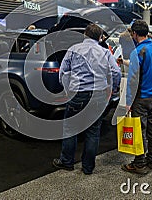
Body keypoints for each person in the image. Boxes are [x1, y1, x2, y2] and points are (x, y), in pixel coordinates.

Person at [52, 24, 121, 175]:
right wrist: (113, 88)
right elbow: (116, 72)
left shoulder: (73, 49)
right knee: (93, 132)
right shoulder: (105, 52)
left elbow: (63, 72)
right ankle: (88, 167)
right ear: (100, 37)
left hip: (77, 94)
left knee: (70, 129)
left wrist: (68, 89)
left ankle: (67, 162)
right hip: (98, 95)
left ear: (85, 34)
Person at [121, 20, 152, 174]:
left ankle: (139, 163)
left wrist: (128, 101)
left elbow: (133, 79)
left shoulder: (137, 52)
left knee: (139, 131)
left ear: (135, 34)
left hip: (141, 98)